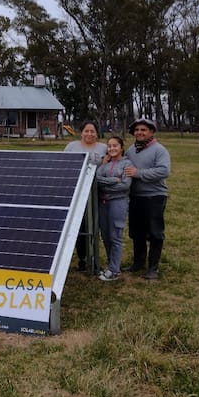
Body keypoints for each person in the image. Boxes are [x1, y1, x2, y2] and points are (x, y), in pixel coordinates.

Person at [123, 117, 171, 280]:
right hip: (135, 197)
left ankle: (153, 268)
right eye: (137, 130)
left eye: (143, 130)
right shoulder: (131, 150)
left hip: (154, 196)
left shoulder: (159, 150)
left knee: (155, 232)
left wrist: (139, 174)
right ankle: (138, 263)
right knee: (137, 232)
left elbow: (163, 171)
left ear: (151, 132)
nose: (139, 132)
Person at [64, 120, 107, 271]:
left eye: (92, 131)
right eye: (86, 131)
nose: (89, 134)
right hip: (77, 191)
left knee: (95, 225)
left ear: (97, 133)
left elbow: (109, 166)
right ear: (81, 132)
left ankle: (95, 257)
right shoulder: (71, 147)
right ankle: (82, 258)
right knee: (80, 226)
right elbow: (64, 166)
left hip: (97, 191)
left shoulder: (104, 147)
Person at [95, 136, 133, 281]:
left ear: (121, 147)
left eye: (115, 146)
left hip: (118, 202)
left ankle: (114, 270)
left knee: (115, 236)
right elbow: (96, 180)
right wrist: (113, 180)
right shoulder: (104, 164)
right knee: (105, 235)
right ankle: (112, 265)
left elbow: (125, 186)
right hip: (103, 203)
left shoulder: (127, 163)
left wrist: (106, 185)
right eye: (109, 146)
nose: (112, 149)